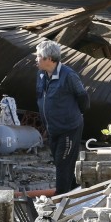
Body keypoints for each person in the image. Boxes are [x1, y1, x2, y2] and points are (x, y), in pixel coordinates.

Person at [35, 39, 90, 196]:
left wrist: (75, 115)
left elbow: (83, 98)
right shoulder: (41, 75)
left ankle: (61, 199)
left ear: (49, 59)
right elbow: (41, 99)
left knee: (62, 163)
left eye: (39, 56)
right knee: (63, 163)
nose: (36, 59)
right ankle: (74, 193)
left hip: (69, 128)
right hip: (53, 129)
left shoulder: (68, 76)